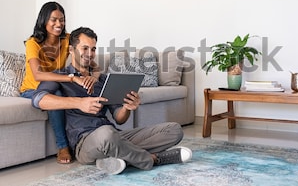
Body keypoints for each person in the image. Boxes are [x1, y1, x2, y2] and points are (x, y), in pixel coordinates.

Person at [31, 26, 192, 175]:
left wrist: (127, 107)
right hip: (85, 143)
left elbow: (119, 119)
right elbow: (38, 100)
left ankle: (115, 158)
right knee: (106, 136)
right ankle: (152, 159)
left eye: (93, 49)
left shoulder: (101, 79)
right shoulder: (60, 76)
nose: (90, 53)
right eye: (84, 48)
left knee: (174, 130)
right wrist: (79, 103)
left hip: (114, 135)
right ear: (72, 50)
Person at [20, 2, 100, 164]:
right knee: (56, 94)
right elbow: (38, 74)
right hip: (33, 88)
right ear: (44, 20)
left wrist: (95, 77)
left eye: (62, 20)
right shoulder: (32, 43)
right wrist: (72, 78)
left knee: (70, 91)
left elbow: (94, 65)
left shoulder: (67, 40)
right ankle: (63, 146)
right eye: (54, 20)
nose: (59, 24)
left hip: (58, 83)